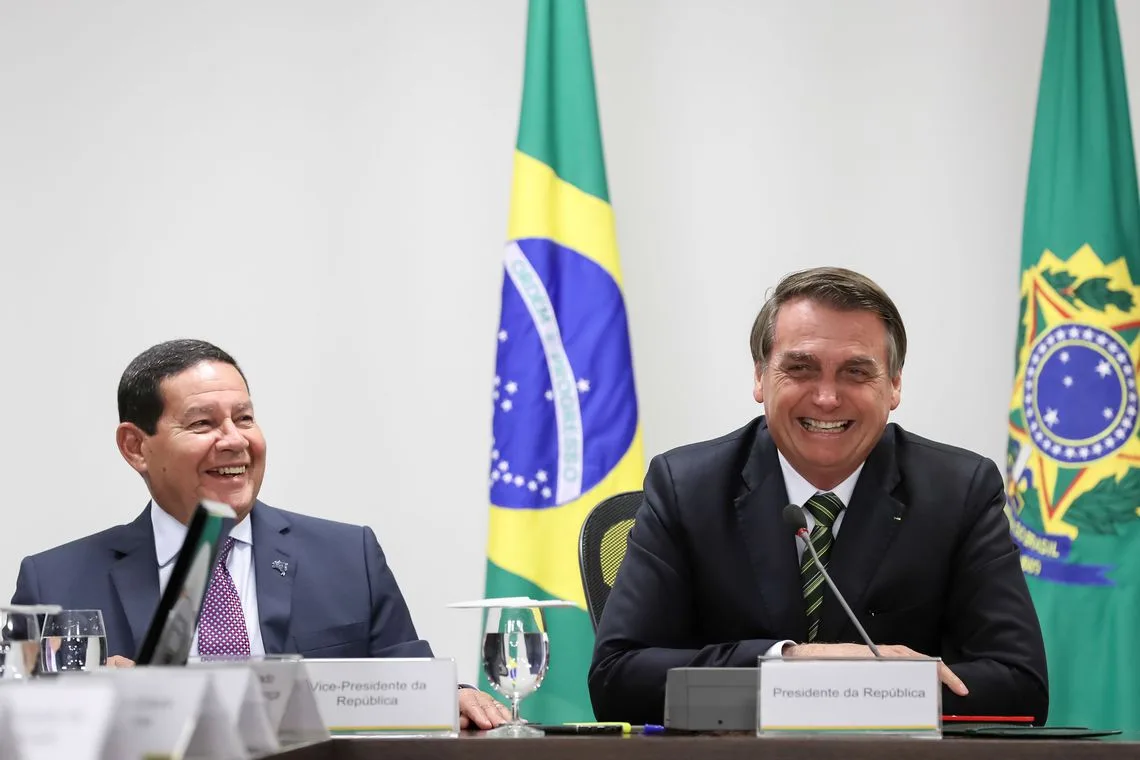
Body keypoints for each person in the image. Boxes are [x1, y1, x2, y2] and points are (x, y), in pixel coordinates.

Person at [588, 267, 1049, 725]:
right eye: (800, 368)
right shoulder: (686, 487)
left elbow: (1020, 686)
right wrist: (793, 662)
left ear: (894, 386)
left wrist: (859, 688)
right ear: (759, 377)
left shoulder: (959, 492)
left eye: (855, 372)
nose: (827, 398)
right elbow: (617, 679)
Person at [11, 339, 509, 729]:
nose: (234, 440)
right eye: (203, 423)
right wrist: (92, 700)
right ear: (136, 447)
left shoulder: (346, 557)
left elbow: (412, 691)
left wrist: (454, 695)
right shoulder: (55, 582)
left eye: (244, 418)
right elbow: (27, 730)